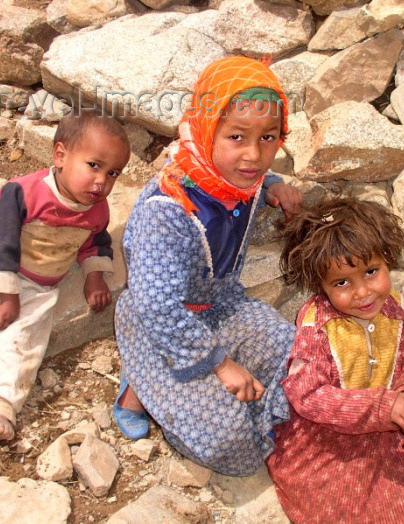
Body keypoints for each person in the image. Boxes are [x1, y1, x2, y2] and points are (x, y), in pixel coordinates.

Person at [113, 56, 302, 476]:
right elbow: (159, 307)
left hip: (222, 305)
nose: (254, 155)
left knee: (303, 358)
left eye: (269, 137)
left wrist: (274, 187)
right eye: (236, 136)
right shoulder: (166, 209)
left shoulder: (243, 176)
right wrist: (220, 364)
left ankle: (185, 391)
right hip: (161, 321)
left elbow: (253, 175)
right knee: (229, 443)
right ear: (206, 127)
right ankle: (139, 387)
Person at [0, 111, 131, 448]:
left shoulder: (96, 209)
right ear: (60, 155)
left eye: (113, 173)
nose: (101, 181)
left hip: (39, 284)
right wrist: (6, 293)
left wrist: (94, 277)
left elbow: (95, 241)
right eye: (94, 165)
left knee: (25, 342)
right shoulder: (22, 192)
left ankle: (4, 405)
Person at [266, 198, 404, 523]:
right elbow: (308, 396)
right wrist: (383, 407)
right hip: (321, 443)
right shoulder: (316, 328)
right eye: (342, 283)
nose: (362, 292)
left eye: (371, 272)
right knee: (338, 511)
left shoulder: (396, 312)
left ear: (388, 261)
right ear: (321, 285)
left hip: (382, 438)